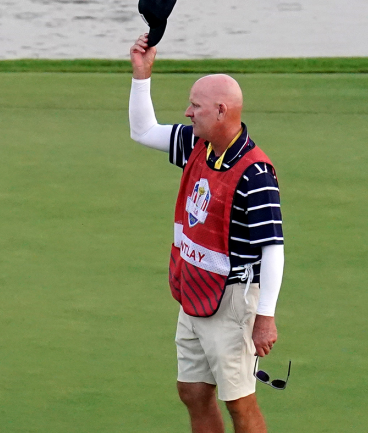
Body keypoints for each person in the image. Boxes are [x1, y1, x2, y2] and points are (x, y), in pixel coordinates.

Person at [129, 34, 285, 433]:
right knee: (193, 391)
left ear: (220, 110)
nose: (187, 112)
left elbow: (273, 250)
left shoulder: (254, 173)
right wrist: (141, 75)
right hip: (196, 293)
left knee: (240, 402)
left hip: (232, 302)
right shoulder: (199, 145)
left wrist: (264, 316)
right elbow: (142, 131)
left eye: (195, 106)